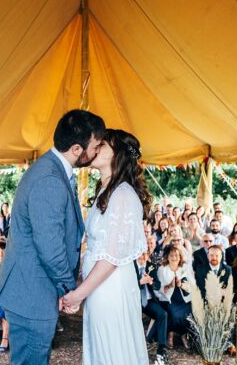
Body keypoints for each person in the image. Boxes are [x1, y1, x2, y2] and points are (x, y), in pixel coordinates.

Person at [0, 109, 105, 365]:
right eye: (95, 146)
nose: (97, 151)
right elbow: (50, 247)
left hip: (32, 287)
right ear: (77, 149)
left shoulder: (51, 169)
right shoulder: (49, 179)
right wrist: (69, 290)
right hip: (32, 292)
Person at [63, 128, 150, 365]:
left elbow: (111, 257)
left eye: (103, 145)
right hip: (99, 287)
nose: (96, 148)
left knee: (112, 352)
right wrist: (80, 286)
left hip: (112, 288)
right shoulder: (105, 191)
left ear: (117, 154)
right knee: (100, 350)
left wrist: (78, 295)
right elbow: (96, 248)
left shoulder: (122, 195)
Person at [156, 245, 193, 350]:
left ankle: (182, 334)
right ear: (167, 257)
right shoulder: (162, 269)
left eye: (176, 255)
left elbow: (192, 287)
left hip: (184, 298)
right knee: (174, 314)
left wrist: (181, 285)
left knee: (189, 312)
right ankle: (171, 335)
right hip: (168, 299)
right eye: (171, 255)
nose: (174, 257)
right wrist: (169, 285)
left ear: (180, 257)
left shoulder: (185, 268)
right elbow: (158, 289)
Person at [135, 252, 168, 364]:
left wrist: (151, 282)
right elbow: (126, 287)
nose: (143, 257)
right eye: (140, 254)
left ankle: (161, 348)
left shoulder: (151, 267)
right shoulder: (131, 267)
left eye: (145, 254)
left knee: (162, 314)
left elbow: (158, 285)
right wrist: (140, 282)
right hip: (134, 302)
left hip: (148, 301)